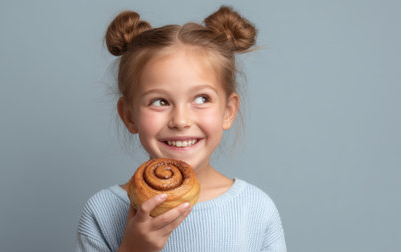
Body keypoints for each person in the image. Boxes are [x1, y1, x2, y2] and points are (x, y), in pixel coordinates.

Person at [76, 6, 286, 252]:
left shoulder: (255, 209)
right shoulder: (102, 211)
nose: (181, 120)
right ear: (129, 116)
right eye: (160, 102)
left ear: (228, 111)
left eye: (201, 99)